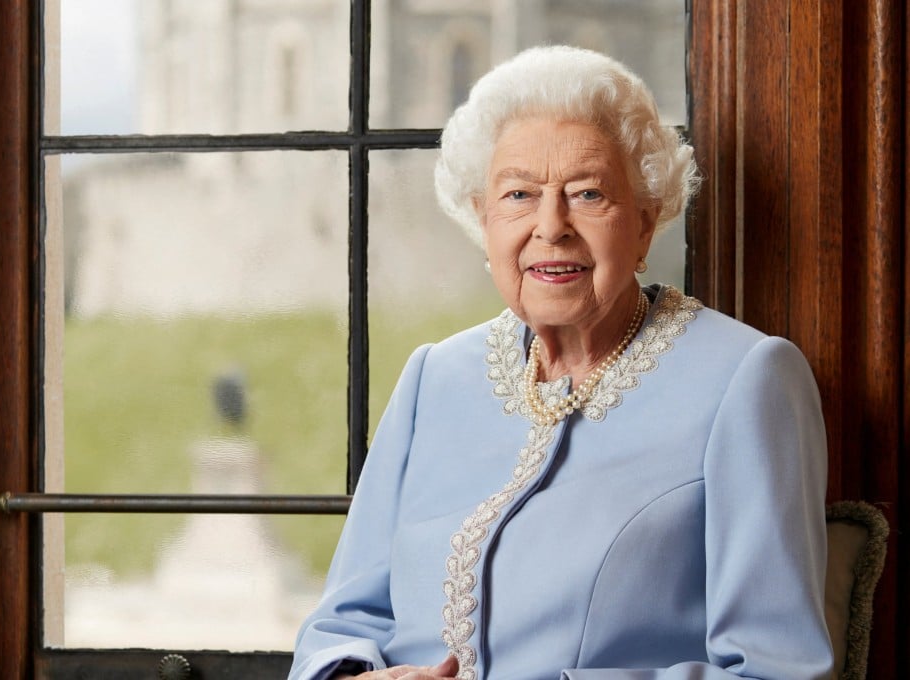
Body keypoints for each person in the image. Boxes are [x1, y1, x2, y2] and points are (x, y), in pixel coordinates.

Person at [288, 45, 833, 680]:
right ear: (484, 222)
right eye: (518, 194)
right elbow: (341, 623)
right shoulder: (434, 376)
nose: (552, 226)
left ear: (645, 224)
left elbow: (778, 670)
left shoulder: (747, 379)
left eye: (588, 193)